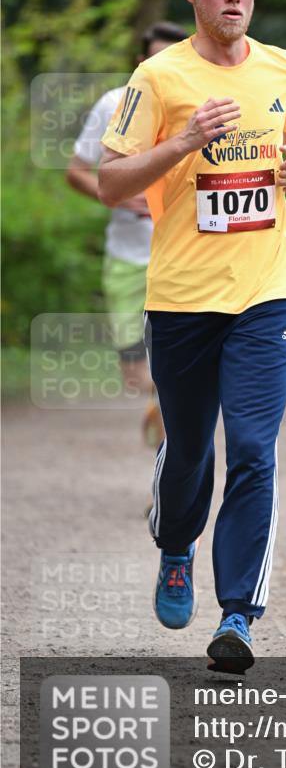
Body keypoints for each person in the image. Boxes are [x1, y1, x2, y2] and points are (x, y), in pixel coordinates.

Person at [97, 0, 286, 672]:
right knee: (189, 446)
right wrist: (184, 140)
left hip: (266, 292)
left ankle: (237, 616)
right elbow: (112, 181)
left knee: (254, 452)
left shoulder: (283, 66)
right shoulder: (157, 79)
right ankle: (173, 547)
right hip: (184, 296)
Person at [67, 22, 188, 448]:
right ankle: (162, 408)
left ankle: (166, 461)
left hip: (182, 259)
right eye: (153, 56)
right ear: (140, 62)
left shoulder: (199, 106)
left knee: (174, 370)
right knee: (138, 375)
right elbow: (76, 172)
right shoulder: (114, 104)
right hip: (127, 258)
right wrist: (117, 198)